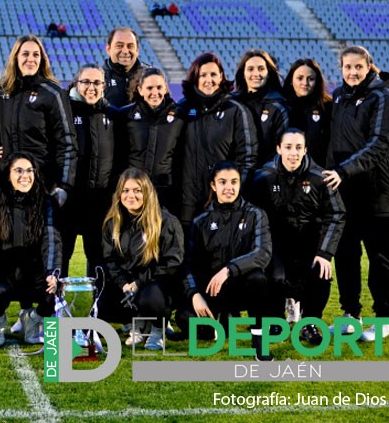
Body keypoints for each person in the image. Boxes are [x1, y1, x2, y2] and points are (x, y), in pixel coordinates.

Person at [323, 45, 389, 342]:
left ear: (369, 66)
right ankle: (350, 314)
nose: (353, 72)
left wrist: (342, 171)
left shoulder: (384, 97)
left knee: (379, 256)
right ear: (340, 69)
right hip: (346, 193)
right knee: (345, 254)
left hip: (379, 192)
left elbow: (380, 144)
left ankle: (383, 317)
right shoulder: (341, 97)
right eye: (347, 67)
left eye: (358, 67)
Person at [250, 129, 345, 345]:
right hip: (275, 245)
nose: (293, 153)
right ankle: (275, 321)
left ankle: (310, 323)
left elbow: (337, 214)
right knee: (274, 276)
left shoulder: (320, 178)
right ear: (278, 149)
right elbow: (253, 215)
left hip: (309, 245)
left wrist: (324, 253)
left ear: (305, 150)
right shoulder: (262, 178)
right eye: (288, 147)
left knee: (322, 272)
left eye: (298, 148)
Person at [177, 161, 273, 360]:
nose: (229, 187)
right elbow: (188, 264)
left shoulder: (256, 214)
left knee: (259, 279)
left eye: (234, 182)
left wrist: (229, 270)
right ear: (213, 186)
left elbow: (262, 253)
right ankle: (220, 325)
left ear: (240, 184)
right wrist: (194, 293)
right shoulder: (200, 220)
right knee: (184, 318)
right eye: (222, 182)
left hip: (242, 288)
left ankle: (259, 342)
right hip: (213, 290)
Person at [0, 153, 61, 347]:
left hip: (32, 272)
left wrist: (52, 273)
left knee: (54, 291)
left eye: (30, 171)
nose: (25, 176)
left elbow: (51, 240)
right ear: (8, 174)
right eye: (19, 171)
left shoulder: (45, 202)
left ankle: (32, 318)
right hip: (2, 271)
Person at [102, 168, 184, 350]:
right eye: (126, 190)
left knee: (151, 298)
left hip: (157, 282)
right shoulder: (112, 223)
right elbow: (110, 260)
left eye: (137, 190)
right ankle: (138, 322)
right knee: (104, 303)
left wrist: (139, 282)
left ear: (147, 192)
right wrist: (123, 283)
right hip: (129, 282)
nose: (131, 195)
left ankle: (158, 328)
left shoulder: (165, 221)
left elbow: (172, 263)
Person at [176, 53, 257, 231]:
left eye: (214, 74)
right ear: (195, 78)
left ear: (221, 77)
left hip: (222, 204)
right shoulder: (182, 109)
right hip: (187, 204)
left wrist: (231, 194)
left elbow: (248, 158)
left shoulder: (236, 110)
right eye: (203, 75)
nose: (209, 80)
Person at [0, 34, 77, 205]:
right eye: (25, 54)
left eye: (36, 54)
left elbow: (67, 142)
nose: (30, 59)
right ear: (16, 57)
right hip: (6, 183)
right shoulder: (3, 92)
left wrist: (64, 185)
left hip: (41, 183)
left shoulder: (53, 93)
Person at [60, 64, 116, 278]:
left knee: (98, 257)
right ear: (76, 83)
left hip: (98, 202)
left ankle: (98, 309)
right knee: (62, 256)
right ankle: (55, 307)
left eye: (97, 82)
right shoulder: (63, 111)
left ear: (103, 85)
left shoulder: (110, 114)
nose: (91, 87)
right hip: (68, 200)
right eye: (86, 82)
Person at [117, 67, 182, 212]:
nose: (155, 93)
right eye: (149, 88)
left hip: (164, 193)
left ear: (165, 88)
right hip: (132, 192)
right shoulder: (126, 115)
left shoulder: (179, 116)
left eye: (159, 87)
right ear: (140, 90)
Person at [233, 49, 289, 168]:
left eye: (261, 69)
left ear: (268, 72)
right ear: (243, 72)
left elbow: (283, 150)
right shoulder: (232, 103)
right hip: (232, 178)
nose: (256, 74)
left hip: (265, 177)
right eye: (250, 69)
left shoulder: (279, 107)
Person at [282, 58, 332, 167]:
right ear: (291, 80)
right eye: (300, 78)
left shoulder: (328, 107)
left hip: (317, 173)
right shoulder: (281, 106)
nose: (305, 83)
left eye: (310, 79)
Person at [103, 27, 150, 106]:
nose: (125, 51)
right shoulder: (98, 78)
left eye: (130, 46)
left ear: (137, 50)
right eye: (119, 46)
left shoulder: (151, 76)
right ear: (108, 49)